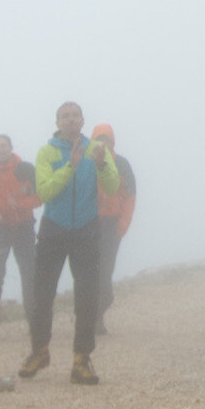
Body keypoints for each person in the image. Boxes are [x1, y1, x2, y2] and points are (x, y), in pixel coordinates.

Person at [21, 101, 118, 385]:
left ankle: (82, 359)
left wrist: (100, 164)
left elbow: (112, 187)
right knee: (42, 294)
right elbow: (46, 192)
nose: (71, 120)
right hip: (54, 228)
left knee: (87, 296)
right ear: (58, 121)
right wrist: (70, 166)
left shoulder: (96, 149)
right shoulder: (47, 151)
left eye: (75, 115)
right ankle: (39, 351)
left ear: (83, 120)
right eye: (66, 116)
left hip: (87, 228)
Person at [0, 134, 39, 339]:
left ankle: (36, 325)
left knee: (30, 275)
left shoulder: (27, 169)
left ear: (11, 147)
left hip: (24, 227)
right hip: (0, 230)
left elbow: (40, 196)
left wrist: (20, 204)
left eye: (4, 146)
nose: (0, 149)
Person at [91, 124, 138, 328]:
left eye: (106, 138)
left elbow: (130, 196)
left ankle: (101, 307)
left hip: (112, 223)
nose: (103, 142)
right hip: (89, 223)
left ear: (112, 141)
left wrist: (124, 222)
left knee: (106, 268)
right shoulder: (86, 162)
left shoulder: (121, 164)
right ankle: (93, 317)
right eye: (99, 138)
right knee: (89, 271)